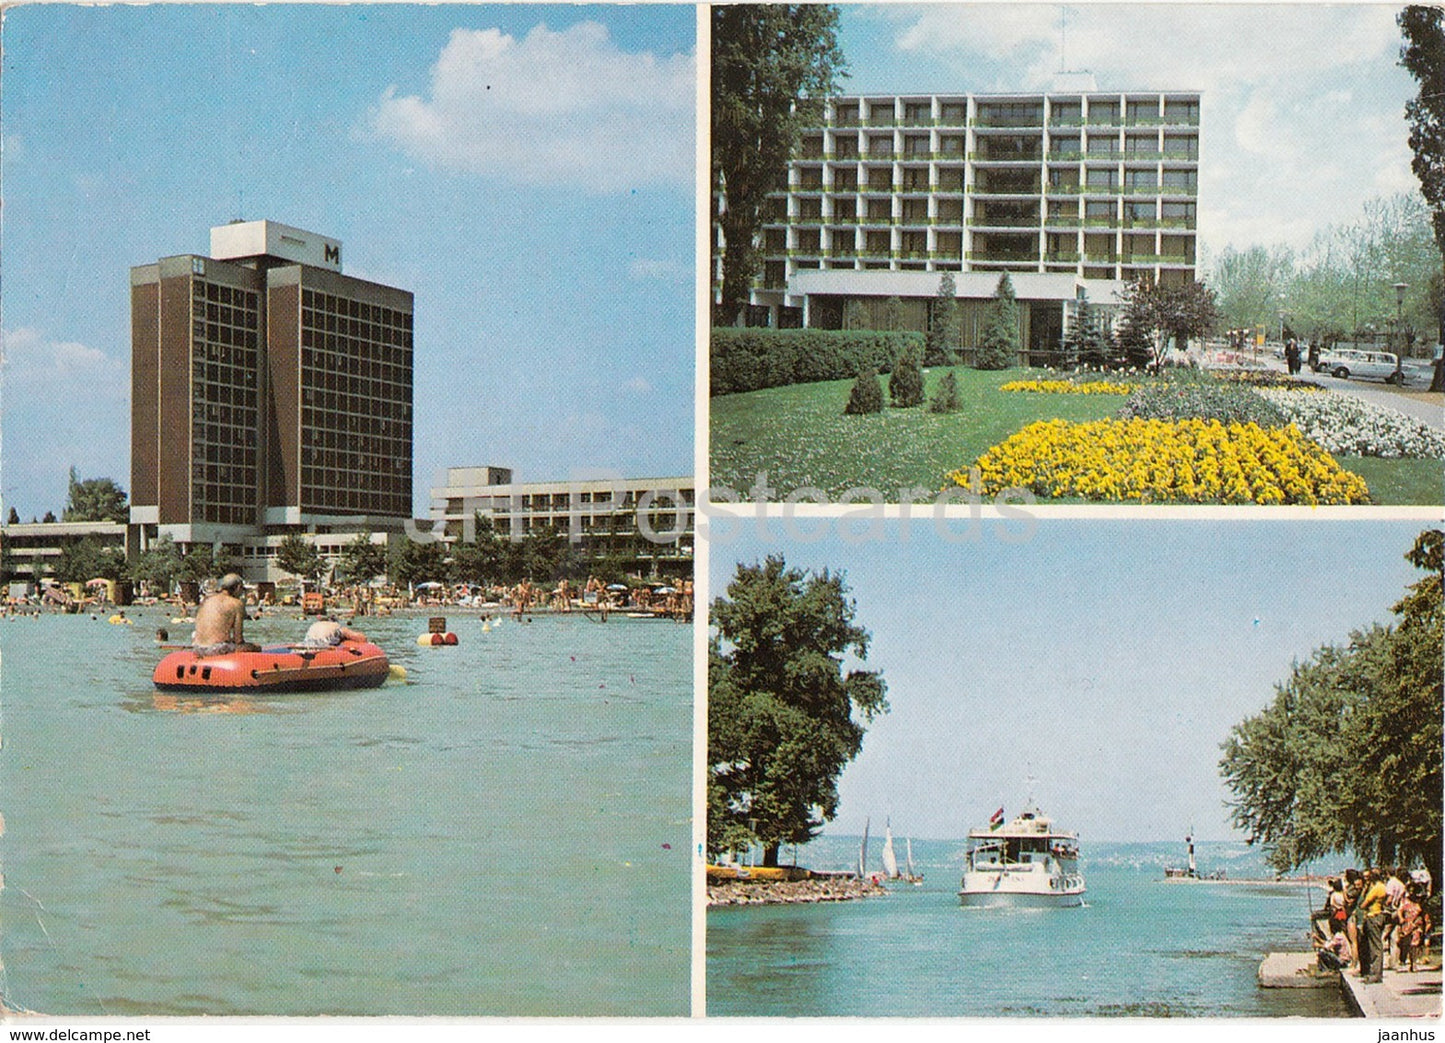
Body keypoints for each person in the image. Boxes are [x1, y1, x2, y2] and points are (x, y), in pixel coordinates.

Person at [192, 574, 260, 657]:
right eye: (242, 589)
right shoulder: (236, 603)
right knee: (256, 647)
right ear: (238, 587)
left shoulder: (206, 600)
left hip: (197, 649)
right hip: (216, 650)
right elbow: (238, 639)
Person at [1358, 867, 1390, 983]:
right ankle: (1373, 972)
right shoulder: (1383, 887)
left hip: (1373, 916)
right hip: (1378, 916)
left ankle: (1376, 974)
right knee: (1374, 945)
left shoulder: (1376, 888)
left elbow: (1363, 904)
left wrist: (1365, 889)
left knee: (1375, 946)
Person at [302, 616, 367, 648]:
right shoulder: (336, 626)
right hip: (323, 648)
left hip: (308, 645)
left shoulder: (314, 625)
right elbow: (362, 638)